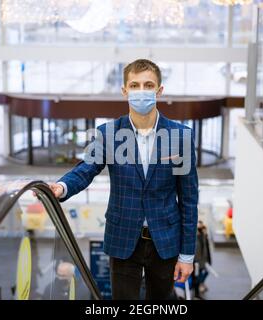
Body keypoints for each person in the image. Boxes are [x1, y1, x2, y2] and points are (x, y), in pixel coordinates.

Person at [48, 59, 199, 300]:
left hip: (166, 239)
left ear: (159, 91)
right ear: (124, 91)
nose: (141, 91)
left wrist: (187, 255)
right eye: (135, 85)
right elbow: (86, 168)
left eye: (148, 85)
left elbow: (189, 200)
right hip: (123, 237)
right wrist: (62, 186)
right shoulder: (108, 133)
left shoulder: (180, 136)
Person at [193, 220, 212, 297]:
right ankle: (196, 293)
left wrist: (209, 260)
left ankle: (200, 285)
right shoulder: (194, 237)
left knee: (205, 273)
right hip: (196, 262)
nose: (199, 228)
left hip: (203, 261)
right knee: (196, 277)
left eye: (201, 226)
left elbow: (206, 249)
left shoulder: (203, 236)